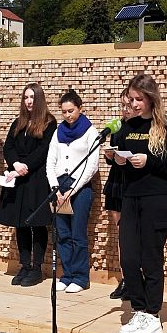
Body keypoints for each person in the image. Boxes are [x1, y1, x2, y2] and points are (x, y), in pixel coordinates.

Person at [115, 74, 167, 333]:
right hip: (131, 198)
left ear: (150, 99)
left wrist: (150, 161)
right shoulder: (127, 125)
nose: (133, 104)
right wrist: (116, 158)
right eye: (131, 99)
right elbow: (121, 151)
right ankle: (138, 309)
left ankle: (153, 315)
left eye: (138, 99)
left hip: (157, 199)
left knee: (150, 258)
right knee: (129, 258)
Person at [0, 83, 57, 287]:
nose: (29, 101)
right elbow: (9, 147)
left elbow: (44, 150)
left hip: (37, 178)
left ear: (39, 99)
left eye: (32, 97)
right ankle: (25, 264)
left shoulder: (49, 123)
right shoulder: (18, 123)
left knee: (37, 224)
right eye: (26, 97)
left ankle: (37, 267)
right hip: (18, 177)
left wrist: (25, 166)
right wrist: (15, 164)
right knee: (20, 223)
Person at [46, 89, 99, 293]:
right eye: (64, 112)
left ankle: (80, 277)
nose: (68, 115)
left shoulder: (90, 131)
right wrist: (55, 188)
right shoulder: (58, 132)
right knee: (62, 234)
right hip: (60, 187)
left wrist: (73, 190)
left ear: (80, 109)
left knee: (78, 234)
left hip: (80, 188)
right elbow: (51, 162)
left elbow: (91, 165)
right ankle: (66, 275)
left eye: (71, 111)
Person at [103, 89, 133, 300]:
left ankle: (136, 278)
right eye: (122, 105)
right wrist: (109, 154)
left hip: (134, 181)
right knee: (121, 232)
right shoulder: (117, 126)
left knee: (134, 234)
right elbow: (113, 152)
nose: (125, 109)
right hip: (117, 180)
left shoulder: (142, 127)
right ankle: (126, 278)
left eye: (128, 105)